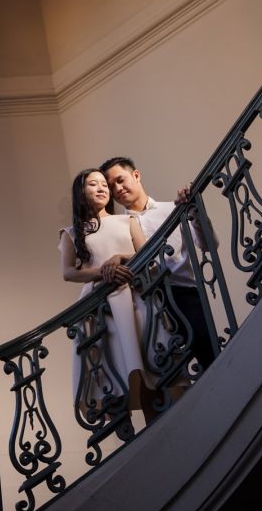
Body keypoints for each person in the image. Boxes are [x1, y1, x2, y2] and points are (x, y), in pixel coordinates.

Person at [99, 157, 216, 372]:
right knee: (164, 374)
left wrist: (195, 211)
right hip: (145, 305)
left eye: (120, 180)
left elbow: (209, 245)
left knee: (211, 361)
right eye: (111, 185)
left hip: (185, 296)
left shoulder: (172, 209)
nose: (117, 188)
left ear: (136, 175)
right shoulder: (116, 228)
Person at [59, 168, 156, 424]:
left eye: (104, 184)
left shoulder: (127, 221)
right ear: (81, 192)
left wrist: (120, 258)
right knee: (109, 367)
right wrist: (102, 272)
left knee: (143, 361)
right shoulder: (71, 232)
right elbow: (68, 272)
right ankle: (125, 436)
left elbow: (146, 254)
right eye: (93, 184)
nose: (102, 188)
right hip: (98, 307)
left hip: (133, 297)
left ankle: (155, 422)